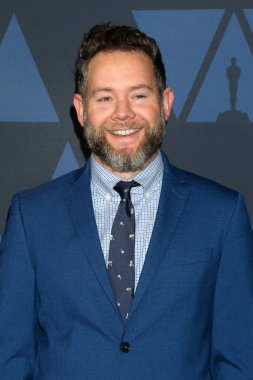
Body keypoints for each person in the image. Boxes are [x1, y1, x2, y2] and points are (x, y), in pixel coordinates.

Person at [0, 24, 253, 380]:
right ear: (81, 109)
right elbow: (10, 359)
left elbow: (241, 362)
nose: (122, 114)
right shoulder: (32, 218)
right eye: (104, 97)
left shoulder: (222, 215)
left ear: (165, 103)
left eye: (138, 95)